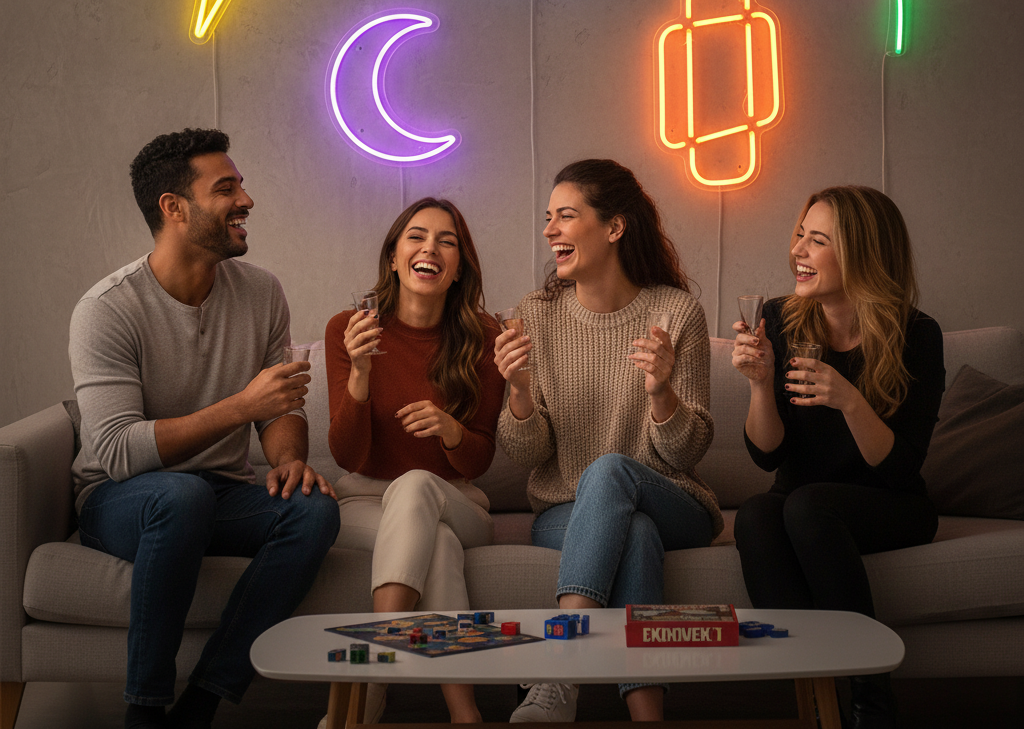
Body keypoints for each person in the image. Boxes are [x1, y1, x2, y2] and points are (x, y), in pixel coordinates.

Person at [70, 128, 341, 729]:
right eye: (227, 188)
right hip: (121, 499)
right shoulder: (108, 309)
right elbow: (115, 453)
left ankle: (203, 702)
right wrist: (239, 408)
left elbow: (279, 408)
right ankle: (145, 709)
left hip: (215, 493)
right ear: (174, 207)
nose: (246, 200)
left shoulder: (262, 292)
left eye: (240, 184)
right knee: (179, 494)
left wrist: (288, 458)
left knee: (314, 510)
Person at [495, 159, 722, 723]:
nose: (550, 230)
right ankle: (649, 717)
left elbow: (685, 453)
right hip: (565, 510)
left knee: (612, 471)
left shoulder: (675, 312)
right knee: (634, 532)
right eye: (548, 218)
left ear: (615, 228)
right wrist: (519, 393)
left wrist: (662, 392)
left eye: (566, 217)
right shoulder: (535, 316)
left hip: (674, 500)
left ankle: (559, 669)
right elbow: (526, 454)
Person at [731, 185, 944, 729]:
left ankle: (871, 699)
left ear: (861, 253)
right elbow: (764, 454)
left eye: (817, 239)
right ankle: (820, 695)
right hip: (801, 498)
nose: (797, 250)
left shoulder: (917, 334)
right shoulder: (781, 319)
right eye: (800, 234)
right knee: (758, 512)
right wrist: (760, 384)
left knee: (806, 507)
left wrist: (848, 398)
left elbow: (899, 468)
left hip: (889, 502)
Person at [325, 198, 505, 725]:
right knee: (438, 547)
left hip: (457, 499)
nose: (430, 248)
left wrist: (452, 430)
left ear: (458, 268)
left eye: (446, 241)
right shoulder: (349, 328)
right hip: (362, 499)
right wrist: (359, 374)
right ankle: (465, 714)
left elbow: (483, 455)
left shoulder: (485, 337)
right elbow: (346, 454)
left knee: (418, 485)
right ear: (394, 256)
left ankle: (372, 675)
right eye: (416, 236)